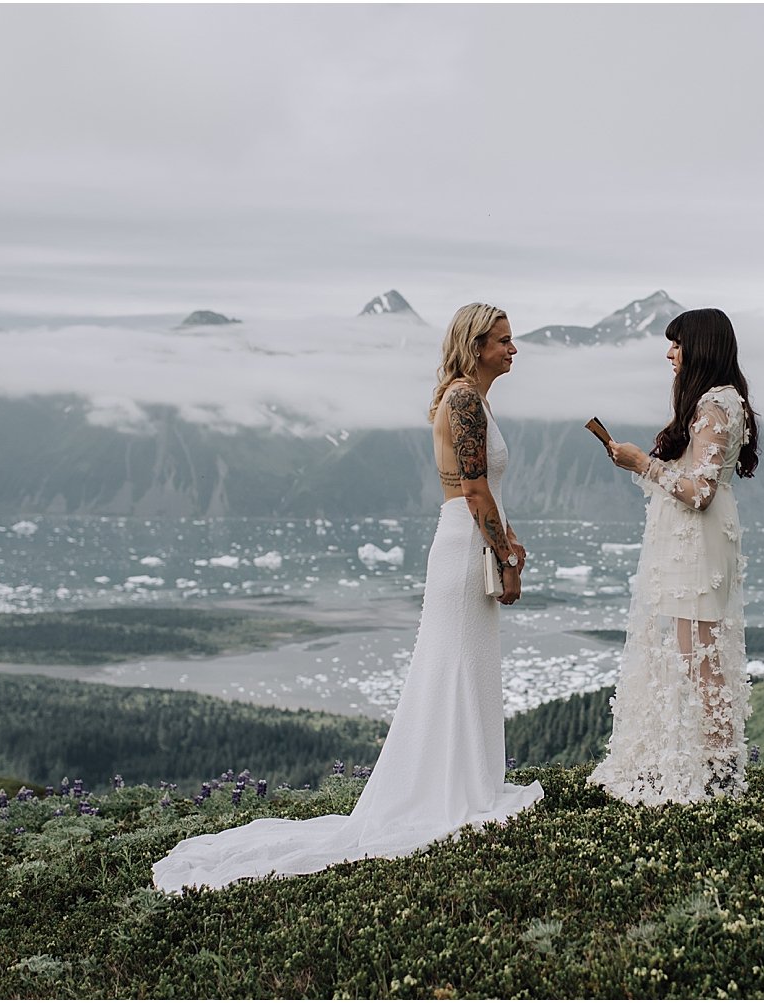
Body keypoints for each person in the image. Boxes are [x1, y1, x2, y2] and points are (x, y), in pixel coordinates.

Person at [152, 304, 543, 893]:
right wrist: (505, 559)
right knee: (457, 666)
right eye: (504, 341)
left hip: (469, 539)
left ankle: (466, 782)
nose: (513, 349)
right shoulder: (464, 399)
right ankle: (453, 791)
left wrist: (510, 538)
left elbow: (487, 492)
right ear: (476, 345)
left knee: (464, 667)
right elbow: (473, 489)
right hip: (465, 546)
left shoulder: (473, 399)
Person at [588, 307, 759, 804]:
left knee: (702, 662)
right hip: (695, 542)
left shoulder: (714, 405)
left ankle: (720, 773)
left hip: (697, 543)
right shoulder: (722, 400)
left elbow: (700, 491)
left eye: (677, 344)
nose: (670, 353)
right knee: (696, 657)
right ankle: (710, 765)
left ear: (699, 348)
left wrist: (642, 463)